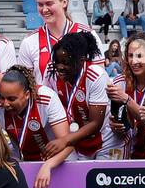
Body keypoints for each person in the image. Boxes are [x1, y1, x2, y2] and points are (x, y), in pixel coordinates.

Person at [0, 65, 68, 188]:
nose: (5, 104)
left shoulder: (46, 98)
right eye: (2, 97)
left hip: (54, 159)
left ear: (26, 94)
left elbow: (68, 143)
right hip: (20, 160)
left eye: (11, 99)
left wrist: (48, 165)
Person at [48, 31, 116, 161]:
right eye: (57, 62)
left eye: (66, 62)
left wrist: (64, 140)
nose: (60, 67)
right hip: (78, 142)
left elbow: (96, 123)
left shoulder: (96, 76)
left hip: (106, 141)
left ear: (81, 60)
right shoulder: (53, 76)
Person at [18, 0, 100, 84]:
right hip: (45, 100)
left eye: (49, 4)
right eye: (40, 4)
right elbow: (25, 85)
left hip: (81, 100)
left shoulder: (87, 35)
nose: (44, 9)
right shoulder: (29, 41)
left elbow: (99, 79)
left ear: (64, 2)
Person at [107, 32, 145, 162]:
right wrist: (116, 125)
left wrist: (127, 100)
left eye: (139, 56)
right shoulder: (120, 83)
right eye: (130, 56)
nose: (134, 61)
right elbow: (118, 123)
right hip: (129, 155)